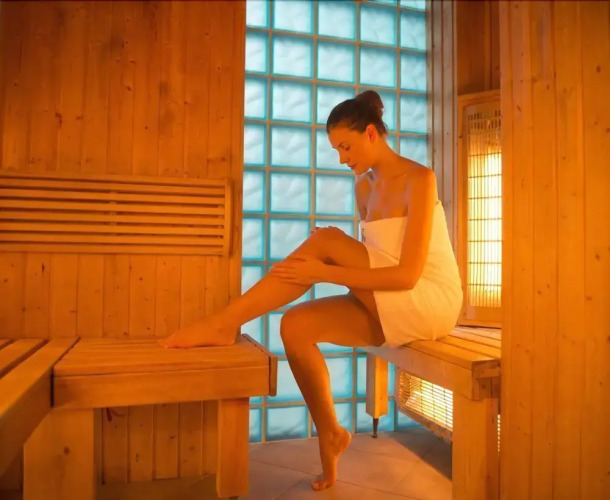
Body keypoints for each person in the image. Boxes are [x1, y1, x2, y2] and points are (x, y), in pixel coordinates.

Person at [159, 90, 463, 491]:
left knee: (327, 242)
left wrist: (325, 270)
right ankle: (330, 434)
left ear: (372, 133)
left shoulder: (419, 180)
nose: (341, 158)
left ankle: (222, 323)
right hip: (391, 300)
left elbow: (406, 276)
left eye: (346, 146)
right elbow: (374, 260)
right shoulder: (364, 188)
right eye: (336, 149)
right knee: (295, 326)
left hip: (429, 299)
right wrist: (328, 262)